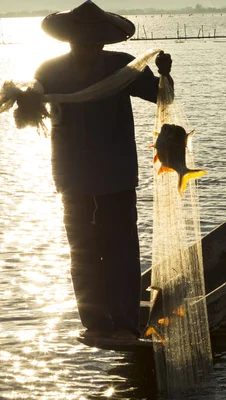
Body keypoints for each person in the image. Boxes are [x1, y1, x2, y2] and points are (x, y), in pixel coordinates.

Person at [32, 1, 173, 341]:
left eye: (95, 39)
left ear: (104, 41)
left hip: (115, 170)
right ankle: (95, 323)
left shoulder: (122, 67)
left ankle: (126, 325)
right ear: (69, 39)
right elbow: (29, 112)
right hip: (71, 171)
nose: (89, 44)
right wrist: (26, 100)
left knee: (121, 247)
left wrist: (165, 74)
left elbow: (162, 99)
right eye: (82, 38)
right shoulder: (49, 70)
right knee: (80, 247)